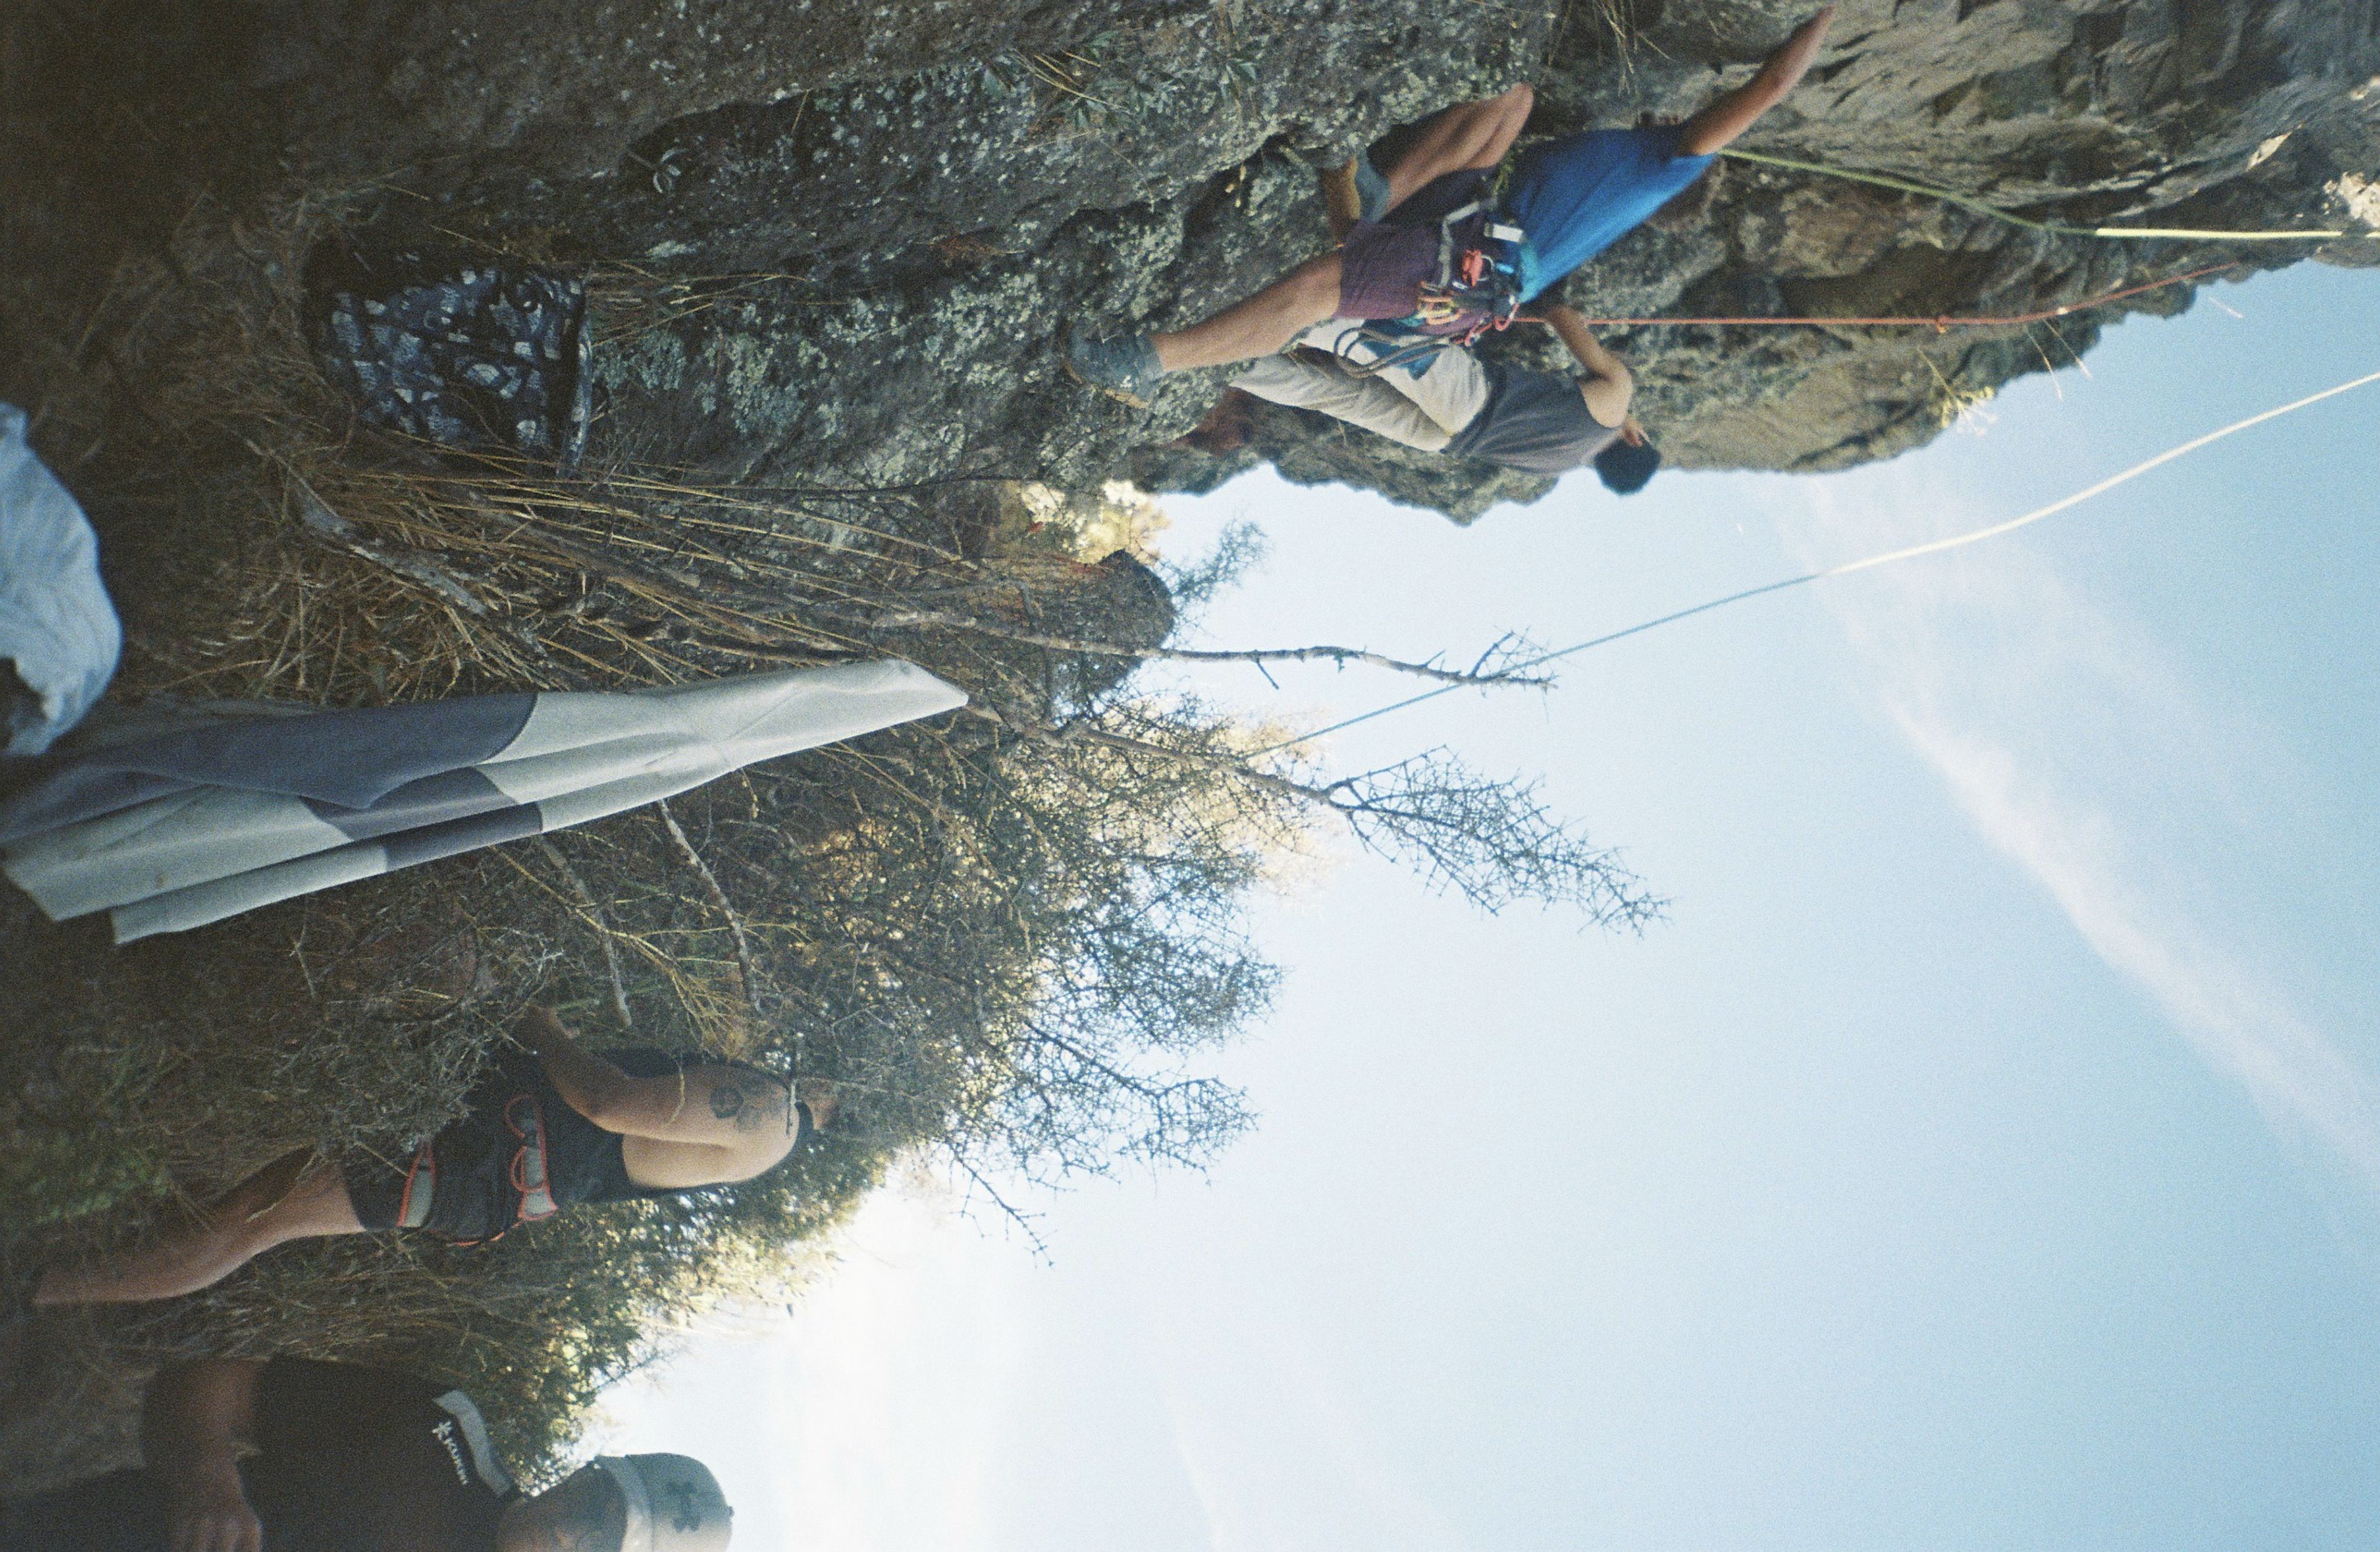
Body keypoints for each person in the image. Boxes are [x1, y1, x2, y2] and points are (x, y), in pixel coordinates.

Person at [1064, 5, 1835, 405]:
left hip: (1470, 273)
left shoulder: (1668, 165)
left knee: (1314, 291)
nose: (1669, 115)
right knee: (1514, 100)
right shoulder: (1635, 167)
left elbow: (1767, 88)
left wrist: (1827, 18)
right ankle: (1366, 188)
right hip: (1475, 226)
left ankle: (1150, 361)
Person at [15, 1006, 836, 1315]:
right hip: (492, 1154)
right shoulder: (769, 1133)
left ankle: (34, 1285)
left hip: (492, 1153)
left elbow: (606, 1104)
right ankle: (43, 1260)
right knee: (253, 1209)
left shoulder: (769, 1113)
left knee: (253, 1219)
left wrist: (541, 1024)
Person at [0, 1354, 733, 1551]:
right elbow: (202, 1386)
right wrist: (208, 1485)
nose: (572, 1521)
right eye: (596, 1492)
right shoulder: (437, 1432)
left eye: (603, 1541)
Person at [1223, 302, 1662, 492]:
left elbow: (1561, 316)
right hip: (1445, 442)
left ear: (1635, 440)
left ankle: (1255, 314)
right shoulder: (1560, 465)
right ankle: (1225, 362)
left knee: (1360, 331)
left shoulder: (1616, 402)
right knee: (1327, 393)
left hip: (1472, 398)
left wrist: (1568, 314)